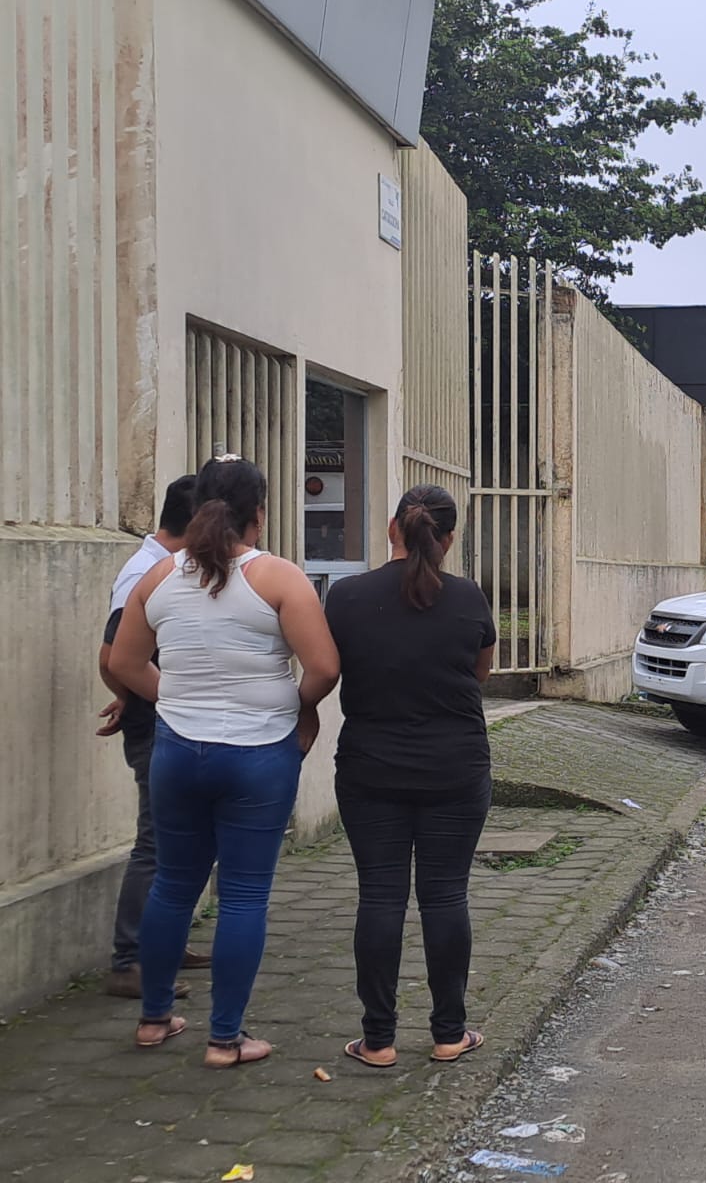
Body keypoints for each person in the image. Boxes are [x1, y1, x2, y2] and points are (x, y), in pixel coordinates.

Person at [110, 455, 340, 1067]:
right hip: (259, 755)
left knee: (174, 883)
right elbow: (324, 667)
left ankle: (154, 1020)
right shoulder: (280, 579)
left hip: (177, 752)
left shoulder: (156, 580)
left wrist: (178, 698)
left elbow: (124, 665)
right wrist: (296, 707)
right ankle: (225, 1038)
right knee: (242, 896)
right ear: (258, 514)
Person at [324, 485, 496, 1068]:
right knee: (446, 894)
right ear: (449, 540)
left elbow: (332, 667)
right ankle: (449, 1034)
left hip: (370, 767)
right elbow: (480, 674)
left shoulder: (346, 597)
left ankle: (377, 1040)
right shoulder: (469, 598)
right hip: (455, 767)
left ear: (392, 528)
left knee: (380, 896)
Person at [98, 475, 211, 1000]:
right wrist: (150, 696)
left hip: (164, 719)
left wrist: (129, 693)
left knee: (180, 843)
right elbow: (112, 656)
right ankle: (130, 960)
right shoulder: (145, 574)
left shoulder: (164, 567)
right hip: (159, 727)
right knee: (156, 843)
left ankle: (162, 944)